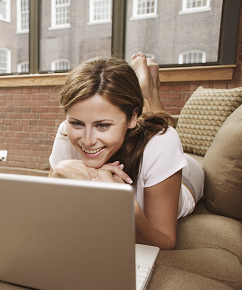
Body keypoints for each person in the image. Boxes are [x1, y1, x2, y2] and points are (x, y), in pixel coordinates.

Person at [48, 52, 204, 250]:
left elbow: (165, 241)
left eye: (103, 125)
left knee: (162, 128)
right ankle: (145, 89)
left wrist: (127, 205)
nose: (87, 141)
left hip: (187, 178)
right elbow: (49, 211)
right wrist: (60, 169)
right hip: (143, 141)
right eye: (77, 123)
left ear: (132, 118)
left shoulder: (162, 143)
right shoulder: (66, 131)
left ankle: (149, 93)